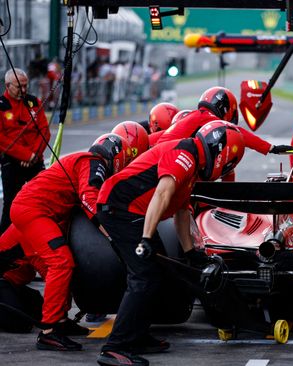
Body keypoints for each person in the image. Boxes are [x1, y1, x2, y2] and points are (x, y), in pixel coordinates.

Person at [95, 121, 246, 366]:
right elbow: (163, 194)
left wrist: (191, 253)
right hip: (120, 209)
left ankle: (138, 336)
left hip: (134, 213)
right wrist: (145, 239)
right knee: (143, 276)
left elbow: (181, 211)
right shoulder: (185, 155)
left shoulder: (194, 163)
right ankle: (115, 347)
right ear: (223, 156)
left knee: (159, 272)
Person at [9, 134, 130, 351]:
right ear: (116, 157)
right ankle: (49, 331)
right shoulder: (94, 163)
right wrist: (114, 236)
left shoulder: (84, 161)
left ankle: (61, 321)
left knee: (56, 267)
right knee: (61, 262)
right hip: (33, 211)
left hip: (32, 210)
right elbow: (90, 200)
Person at [157, 87, 292, 181]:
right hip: (168, 160)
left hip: (163, 156)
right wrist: (271, 148)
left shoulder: (196, 116)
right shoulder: (207, 118)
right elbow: (239, 133)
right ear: (225, 108)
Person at [0, 68, 51, 234]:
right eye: (19, 87)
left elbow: (44, 130)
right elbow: (2, 139)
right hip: (12, 162)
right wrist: (25, 155)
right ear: (8, 86)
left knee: (45, 200)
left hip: (35, 161)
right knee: (11, 206)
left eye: (25, 86)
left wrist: (33, 155)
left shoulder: (33, 102)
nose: (23, 90)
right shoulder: (2, 106)